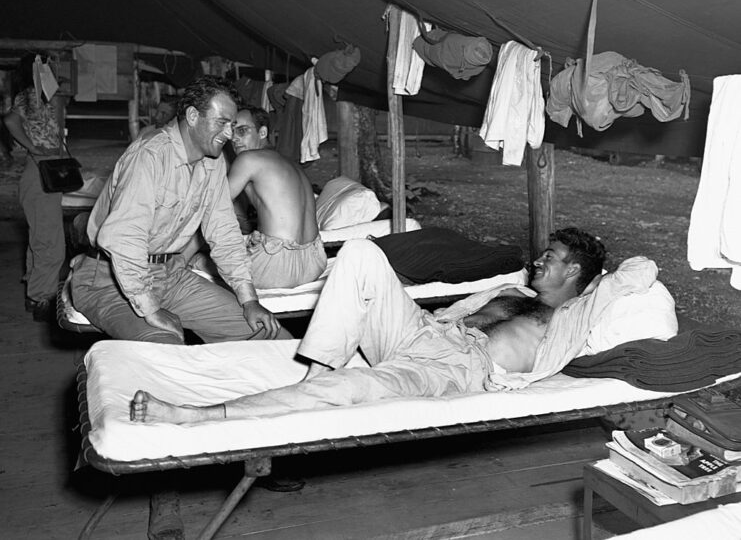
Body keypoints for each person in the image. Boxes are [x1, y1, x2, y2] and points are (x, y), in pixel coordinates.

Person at [129, 228, 662, 424]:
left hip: (458, 368)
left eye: (551, 257)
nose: (538, 262)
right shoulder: (510, 291)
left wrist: (602, 280)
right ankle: (316, 373)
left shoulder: (575, 312)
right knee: (359, 252)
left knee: (355, 388)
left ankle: (196, 415)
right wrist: (418, 322)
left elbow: (644, 269)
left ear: (575, 271)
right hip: (426, 333)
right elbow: (449, 314)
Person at [69, 75, 289, 344]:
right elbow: (123, 238)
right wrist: (150, 308)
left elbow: (225, 232)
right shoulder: (150, 156)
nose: (229, 134)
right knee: (164, 345)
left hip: (169, 275)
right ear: (193, 116)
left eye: (232, 125)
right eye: (221, 123)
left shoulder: (213, 162)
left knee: (273, 337)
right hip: (108, 280)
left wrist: (248, 300)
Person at [186, 105, 326, 288]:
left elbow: (211, 211)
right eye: (232, 131)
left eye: (242, 131)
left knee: (195, 260)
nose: (234, 138)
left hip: (276, 267)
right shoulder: (291, 165)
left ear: (262, 132)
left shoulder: (248, 159)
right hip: (313, 262)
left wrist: (182, 256)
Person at [3, 53, 67, 322]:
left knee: (40, 234)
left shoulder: (32, 96)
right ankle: (41, 297)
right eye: (48, 65)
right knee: (51, 241)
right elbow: (8, 120)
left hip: (38, 168)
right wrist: (34, 147)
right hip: (44, 167)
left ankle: (35, 288)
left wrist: (32, 147)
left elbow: (12, 120)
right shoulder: (38, 95)